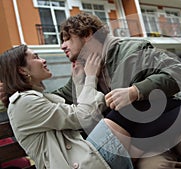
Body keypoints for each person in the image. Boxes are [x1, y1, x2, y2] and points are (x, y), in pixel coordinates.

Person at [0, 13, 181, 168]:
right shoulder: (80, 78)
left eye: (66, 39)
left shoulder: (131, 50)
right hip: (141, 147)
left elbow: (179, 75)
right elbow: (49, 103)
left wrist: (136, 91)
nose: (61, 47)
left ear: (87, 36)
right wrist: (14, 87)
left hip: (175, 126)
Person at [0, 44, 134, 169]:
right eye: (36, 57)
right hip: (76, 164)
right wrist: (91, 77)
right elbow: (83, 116)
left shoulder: (34, 98)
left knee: (128, 114)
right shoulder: (24, 103)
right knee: (121, 113)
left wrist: (79, 80)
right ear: (22, 70)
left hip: (80, 157)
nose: (43, 60)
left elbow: (77, 113)